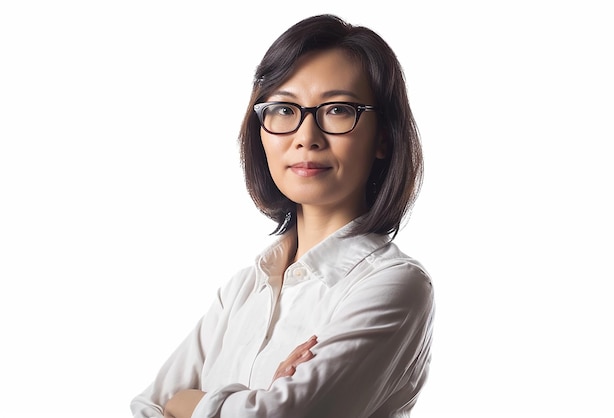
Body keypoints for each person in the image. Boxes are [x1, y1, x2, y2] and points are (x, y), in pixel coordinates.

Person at [130, 13, 435, 418]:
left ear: (383, 137)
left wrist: (188, 404)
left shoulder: (395, 285)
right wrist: (254, 399)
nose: (306, 137)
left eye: (338, 110)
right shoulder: (242, 289)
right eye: (284, 110)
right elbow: (147, 406)